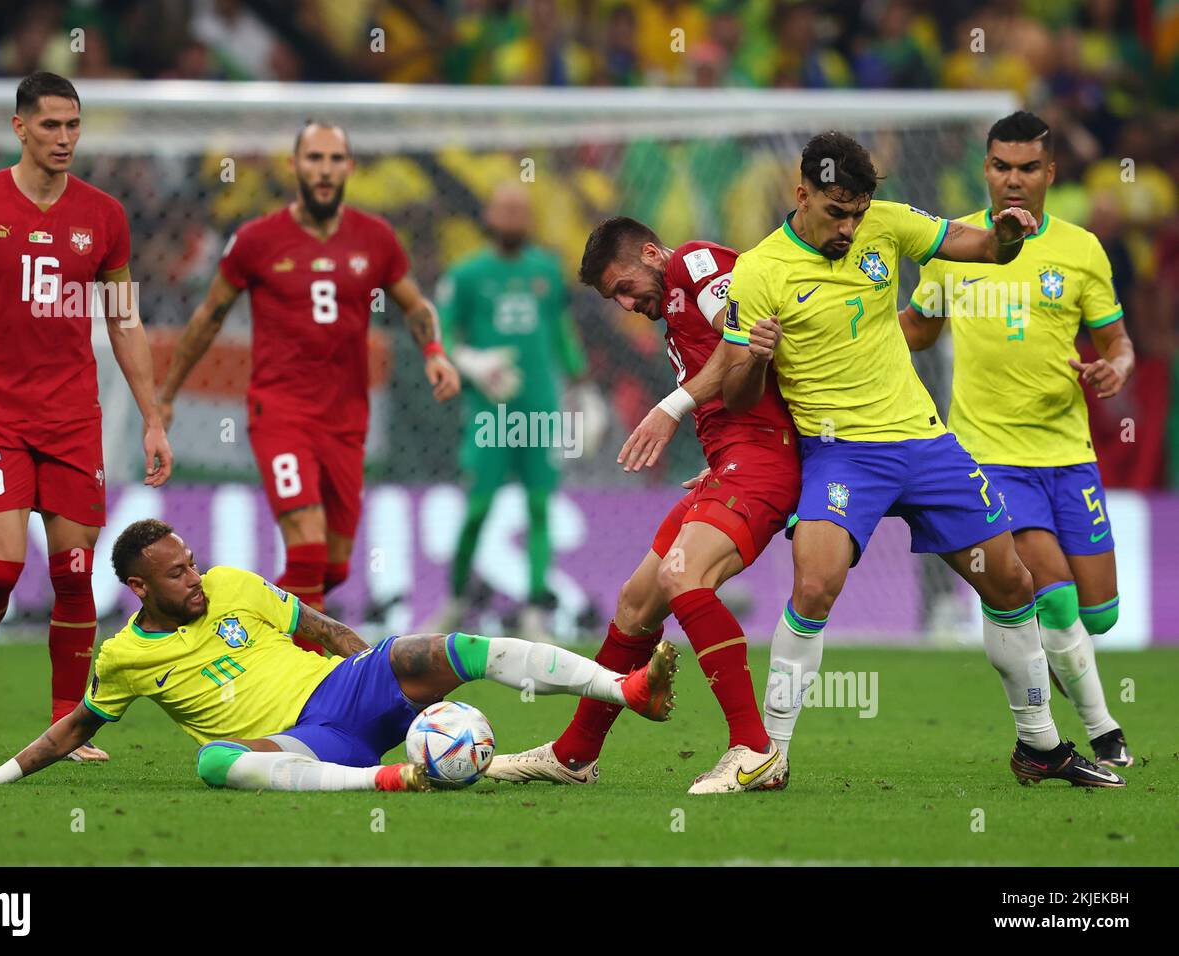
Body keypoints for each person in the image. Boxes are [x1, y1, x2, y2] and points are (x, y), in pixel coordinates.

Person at [720, 130, 1125, 788]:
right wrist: (757, 356)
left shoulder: (888, 223)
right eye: (835, 211)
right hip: (841, 453)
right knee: (815, 584)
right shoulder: (758, 271)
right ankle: (771, 753)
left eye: (858, 212)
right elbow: (739, 396)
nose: (850, 227)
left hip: (924, 443)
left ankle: (1039, 746)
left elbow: (983, 249)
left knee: (1012, 583)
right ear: (801, 195)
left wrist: (1009, 234)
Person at [0, 519, 678, 793]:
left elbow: (319, 627)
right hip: (302, 743)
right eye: (177, 572)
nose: (195, 577)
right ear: (137, 587)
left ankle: (625, 688)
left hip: (345, 695)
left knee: (455, 646)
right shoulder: (122, 657)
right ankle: (389, 779)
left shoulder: (231, 584)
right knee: (213, 763)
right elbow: (75, 729)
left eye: (191, 562)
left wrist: (374, 668)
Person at [0, 71, 172, 760]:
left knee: (75, 571)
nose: (64, 138)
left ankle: (65, 725)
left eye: (73, 125)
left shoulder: (104, 216)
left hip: (71, 418)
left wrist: (151, 417)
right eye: (50, 125)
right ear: (19, 127)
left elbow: (124, 321)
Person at [488, 216, 799, 793]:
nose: (627, 304)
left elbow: (750, 348)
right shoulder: (676, 305)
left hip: (761, 463)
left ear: (652, 254)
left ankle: (756, 750)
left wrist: (672, 406)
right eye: (615, 299)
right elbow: (744, 371)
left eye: (625, 288)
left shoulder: (696, 267)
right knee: (635, 605)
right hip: (732, 464)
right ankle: (575, 753)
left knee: (685, 577)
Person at [156, 122, 461, 651]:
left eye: (334, 159)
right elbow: (208, 317)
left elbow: (415, 306)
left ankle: (259, 630)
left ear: (350, 168)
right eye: (313, 158)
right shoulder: (257, 241)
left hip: (346, 421)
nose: (324, 169)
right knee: (309, 551)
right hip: (280, 412)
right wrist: (166, 396)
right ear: (294, 167)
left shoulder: (375, 239)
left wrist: (435, 354)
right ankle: (304, 690)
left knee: (333, 566)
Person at [901, 111, 1135, 768]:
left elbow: (1117, 342)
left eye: (1027, 168)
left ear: (1049, 173)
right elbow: (920, 328)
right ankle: (1101, 732)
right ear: (986, 169)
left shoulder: (1081, 249)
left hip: (1069, 456)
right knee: (1049, 589)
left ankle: (1036, 707)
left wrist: (1113, 367)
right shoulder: (957, 246)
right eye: (1001, 166)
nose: (1013, 179)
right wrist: (847, 332)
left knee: (1099, 615)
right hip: (990, 455)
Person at [428, 182, 604, 641]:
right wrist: (470, 361)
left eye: (519, 211)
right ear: (489, 216)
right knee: (478, 508)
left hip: (540, 409)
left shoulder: (546, 271)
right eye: (504, 210)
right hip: (490, 412)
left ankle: (534, 611)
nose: (511, 218)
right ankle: (456, 599)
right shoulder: (466, 275)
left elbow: (561, 331)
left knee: (540, 506)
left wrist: (582, 384)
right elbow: (441, 335)